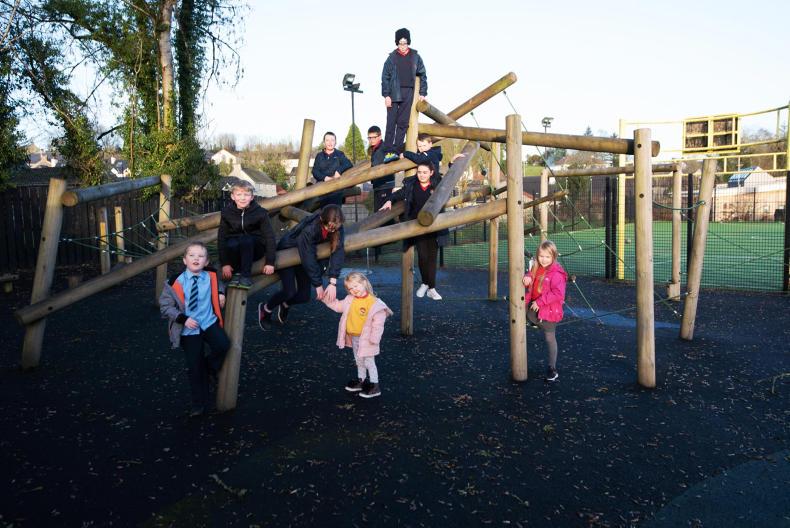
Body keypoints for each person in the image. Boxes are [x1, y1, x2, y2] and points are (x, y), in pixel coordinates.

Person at [159, 241, 230, 417]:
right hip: (188, 328)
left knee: (223, 345)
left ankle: (209, 368)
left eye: (200, 256)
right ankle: (199, 403)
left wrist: (221, 292)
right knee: (194, 367)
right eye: (191, 255)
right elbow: (165, 306)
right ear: (185, 260)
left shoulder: (211, 275)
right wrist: (183, 319)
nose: (196, 259)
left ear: (206, 262)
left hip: (208, 322)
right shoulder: (175, 281)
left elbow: (219, 283)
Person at [258, 204, 345, 327]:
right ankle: (266, 309)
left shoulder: (337, 226)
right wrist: (318, 284)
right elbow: (308, 256)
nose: (332, 230)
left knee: (304, 296)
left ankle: (285, 304)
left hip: (302, 259)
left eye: (335, 228)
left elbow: (338, 251)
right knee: (289, 291)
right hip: (288, 254)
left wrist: (333, 282)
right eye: (329, 227)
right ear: (321, 219)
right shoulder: (311, 228)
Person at [379, 161, 447, 300]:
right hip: (417, 226)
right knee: (422, 256)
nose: (422, 175)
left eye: (425, 172)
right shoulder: (412, 185)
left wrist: (452, 163)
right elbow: (399, 193)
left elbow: (449, 180)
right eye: (419, 172)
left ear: (431, 173)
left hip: (434, 226)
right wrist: (389, 200)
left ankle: (431, 288)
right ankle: (425, 284)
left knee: (432, 258)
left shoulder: (436, 185)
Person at [323, 272, 393, 399]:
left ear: (364, 283)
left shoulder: (374, 303)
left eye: (356, 286)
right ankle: (361, 380)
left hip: (367, 339)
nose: (353, 290)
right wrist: (326, 299)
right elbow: (338, 306)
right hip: (355, 337)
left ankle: (375, 385)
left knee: (369, 361)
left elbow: (378, 324)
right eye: (350, 288)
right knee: (359, 360)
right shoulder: (350, 300)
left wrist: (374, 339)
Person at [522, 240, 567, 382]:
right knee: (517, 310)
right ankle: (533, 321)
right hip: (534, 305)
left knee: (549, 338)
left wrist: (540, 302)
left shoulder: (556, 273)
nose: (544, 259)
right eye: (541, 256)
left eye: (548, 257)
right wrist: (527, 277)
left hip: (549, 310)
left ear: (554, 257)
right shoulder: (536, 267)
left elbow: (558, 294)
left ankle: (552, 368)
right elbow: (531, 274)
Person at [217, 180, 276, 289]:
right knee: (231, 243)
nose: (242, 198)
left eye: (246, 195)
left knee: (246, 239)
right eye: (239, 194)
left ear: (252, 197)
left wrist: (270, 262)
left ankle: (245, 276)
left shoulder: (260, 213)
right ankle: (236, 273)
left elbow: (270, 237)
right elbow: (221, 238)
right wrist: (225, 263)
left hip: (255, 249)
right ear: (233, 196)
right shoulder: (227, 212)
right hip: (235, 251)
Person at [381, 27, 427, 162]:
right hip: (393, 92)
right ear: (397, 43)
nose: (402, 46)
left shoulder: (415, 56)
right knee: (391, 123)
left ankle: (396, 151)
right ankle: (388, 151)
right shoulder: (391, 58)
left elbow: (423, 75)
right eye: (400, 43)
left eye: (405, 43)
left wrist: (422, 92)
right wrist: (386, 95)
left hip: (408, 92)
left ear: (408, 43)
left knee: (403, 123)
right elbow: (385, 77)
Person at [312, 131, 353, 207]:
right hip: (322, 191)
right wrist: (324, 178)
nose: (330, 142)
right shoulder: (319, 156)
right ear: (324, 142)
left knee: (335, 212)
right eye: (327, 140)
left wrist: (339, 171)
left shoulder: (339, 154)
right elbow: (315, 171)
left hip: (336, 191)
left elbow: (348, 164)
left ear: (335, 142)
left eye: (332, 140)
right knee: (324, 212)